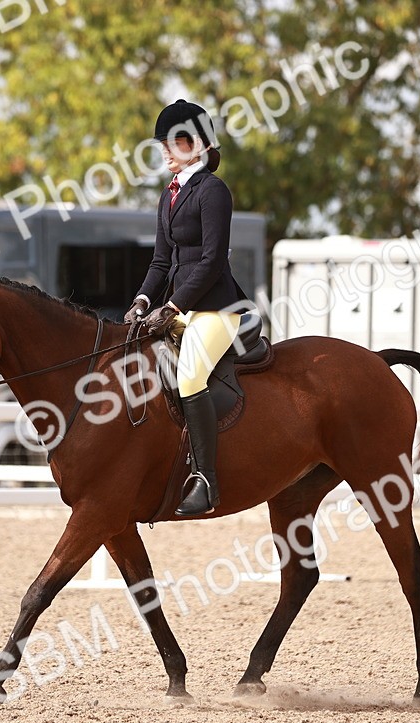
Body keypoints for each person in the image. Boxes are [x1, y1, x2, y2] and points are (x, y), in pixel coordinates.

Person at [124, 99, 250, 517]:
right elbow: (162, 261)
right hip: (178, 309)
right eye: (162, 143)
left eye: (173, 142)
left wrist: (174, 305)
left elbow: (212, 261)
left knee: (190, 374)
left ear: (196, 145)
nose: (164, 151)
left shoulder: (213, 192)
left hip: (216, 310)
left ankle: (205, 481)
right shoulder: (169, 195)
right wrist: (143, 300)